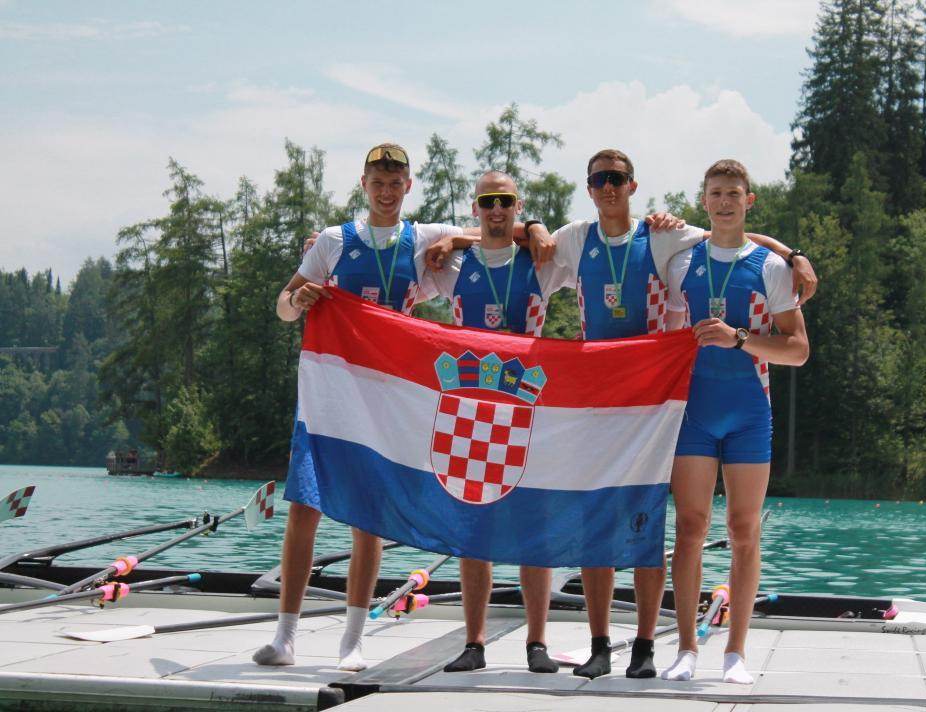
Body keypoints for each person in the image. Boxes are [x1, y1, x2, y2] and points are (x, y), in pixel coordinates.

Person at [430, 148, 816, 679]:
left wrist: (793, 254)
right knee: (615, 518)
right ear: (589, 188)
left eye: (617, 178)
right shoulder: (576, 238)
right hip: (604, 399)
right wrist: (464, 238)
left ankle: (667, 649)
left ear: (633, 186)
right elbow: (506, 234)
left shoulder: (666, 240)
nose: (608, 186)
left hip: (660, 403)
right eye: (599, 180)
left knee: (671, 523)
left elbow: (733, 238)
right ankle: (614, 645)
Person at [255, 143, 467, 671]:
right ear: (364, 185)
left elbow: (493, 236)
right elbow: (283, 306)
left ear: (408, 187)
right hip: (329, 392)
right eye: (378, 183)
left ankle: (352, 640)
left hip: (386, 398)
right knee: (304, 507)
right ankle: (284, 638)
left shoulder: (423, 239)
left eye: (395, 184)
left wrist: (456, 240)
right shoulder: (333, 241)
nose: (386, 192)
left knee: (368, 518)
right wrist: (297, 300)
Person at [661, 159, 809, 683]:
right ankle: (685, 649)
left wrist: (740, 338)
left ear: (749, 201)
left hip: (748, 412)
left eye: (733, 193)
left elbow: (798, 350)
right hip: (694, 413)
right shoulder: (680, 263)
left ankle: (736, 654)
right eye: (716, 193)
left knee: (744, 530)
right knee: (689, 528)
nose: (724, 202)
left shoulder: (771, 268)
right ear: (704, 201)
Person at [428, 170, 559, 674]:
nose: (497, 209)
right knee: (474, 532)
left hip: (527, 408)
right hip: (472, 413)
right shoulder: (453, 265)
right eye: (488, 202)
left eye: (505, 201)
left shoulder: (543, 260)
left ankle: (537, 643)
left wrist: (536, 227)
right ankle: (474, 643)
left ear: (518, 206)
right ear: (475, 208)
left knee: (534, 532)